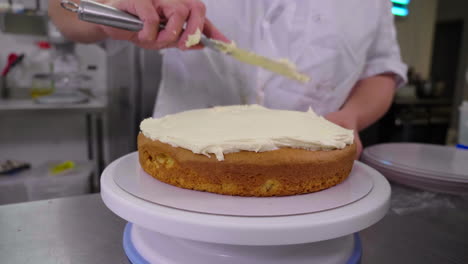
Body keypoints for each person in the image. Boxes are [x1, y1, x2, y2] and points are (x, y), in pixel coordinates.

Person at [49, 0, 407, 159]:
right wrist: (108, 13)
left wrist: (352, 117)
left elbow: (381, 71)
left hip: (312, 172)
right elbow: (63, 12)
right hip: (186, 165)